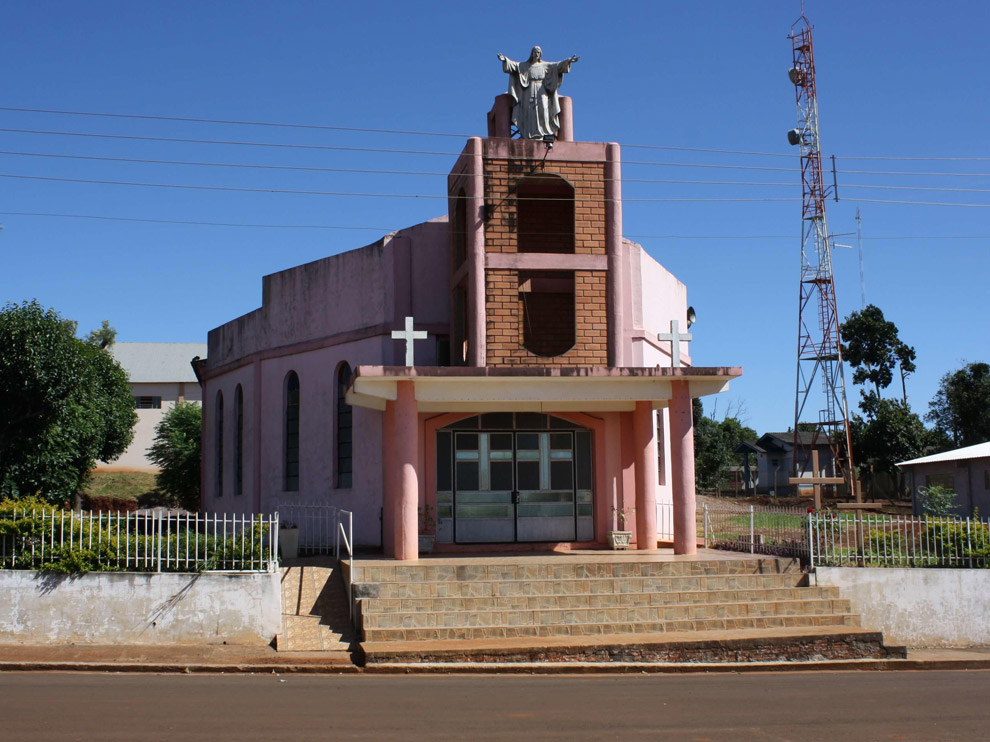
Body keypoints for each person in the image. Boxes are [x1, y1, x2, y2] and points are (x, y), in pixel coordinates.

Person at [497, 47, 579, 140]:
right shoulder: (525, 66)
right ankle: (528, 133)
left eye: (538, 52)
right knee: (529, 110)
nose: (537, 54)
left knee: (543, 109)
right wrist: (505, 60)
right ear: (532, 54)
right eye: (535, 52)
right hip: (528, 90)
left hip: (542, 90)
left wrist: (569, 61)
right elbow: (515, 66)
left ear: (540, 54)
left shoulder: (545, 65)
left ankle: (544, 132)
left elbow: (557, 66)